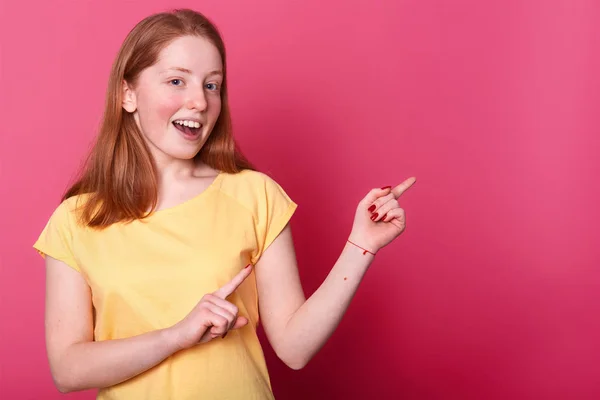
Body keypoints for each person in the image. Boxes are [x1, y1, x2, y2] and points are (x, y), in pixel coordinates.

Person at [33, 8, 416, 400]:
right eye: (177, 81)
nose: (199, 101)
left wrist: (361, 245)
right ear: (127, 94)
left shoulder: (255, 195)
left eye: (212, 85)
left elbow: (295, 348)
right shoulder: (77, 219)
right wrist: (176, 337)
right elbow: (67, 369)